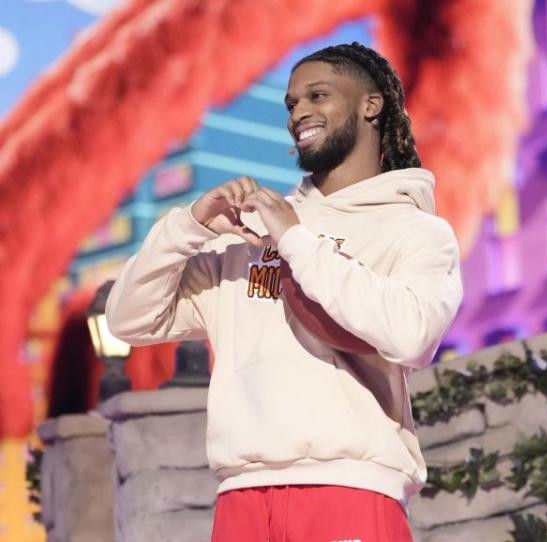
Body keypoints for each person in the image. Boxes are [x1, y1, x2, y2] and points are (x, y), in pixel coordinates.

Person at [105, 42, 463, 541]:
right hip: (241, 498)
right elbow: (127, 320)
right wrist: (186, 226)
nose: (300, 113)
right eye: (292, 103)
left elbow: (412, 335)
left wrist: (296, 240)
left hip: (350, 491)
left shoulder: (415, 231)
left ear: (371, 105)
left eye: (318, 95)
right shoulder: (248, 235)